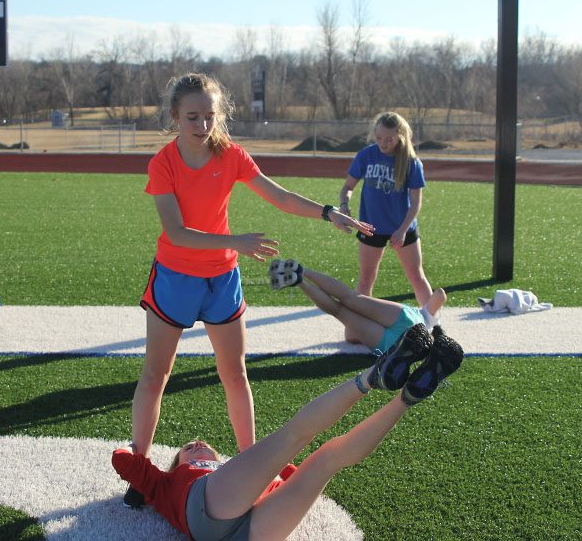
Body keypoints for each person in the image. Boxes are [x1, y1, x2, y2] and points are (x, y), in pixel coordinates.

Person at [126, 72, 374, 507]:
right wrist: (236, 242)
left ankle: (253, 465)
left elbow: (278, 195)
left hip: (221, 279)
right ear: (174, 116)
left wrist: (327, 212)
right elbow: (177, 232)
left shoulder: (232, 155)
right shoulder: (163, 162)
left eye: (209, 116)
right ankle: (140, 471)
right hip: (175, 277)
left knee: (236, 373)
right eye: (192, 117)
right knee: (155, 375)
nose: (202, 126)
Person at [114, 322, 463, 540]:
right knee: (296, 435)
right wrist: (137, 455)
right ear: (177, 464)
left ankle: (408, 396)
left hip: (253, 518)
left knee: (327, 459)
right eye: (189, 448)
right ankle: (373, 376)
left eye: (198, 444)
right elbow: (123, 461)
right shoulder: (164, 483)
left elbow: (294, 478)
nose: (197, 444)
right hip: (210, 514)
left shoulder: (241, 468)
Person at [338, 112, 433, 344]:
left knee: (416, 276)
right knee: (366, 278)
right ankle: (360, 324)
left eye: (388, 139)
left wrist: (402, 229)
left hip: (403, 228)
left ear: (400, 137)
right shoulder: (366, 155)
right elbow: (347, 186)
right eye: (379, 137)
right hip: (370, 227)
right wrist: (344, 205)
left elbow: (416, 203)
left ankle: (434, 325)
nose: (383, 143)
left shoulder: (411, 162)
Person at [269, 257, 446, 355]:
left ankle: (301, 270)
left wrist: (435, 325)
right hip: (395, 348)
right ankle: (299, 282)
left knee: (349, 297)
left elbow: (440, 294)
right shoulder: (427, 352)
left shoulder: (428, 319)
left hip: (412, 320)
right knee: (338, 311)